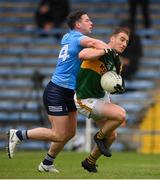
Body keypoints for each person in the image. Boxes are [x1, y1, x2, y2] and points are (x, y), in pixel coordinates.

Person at [7, 10, 111, 173]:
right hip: (58, 90)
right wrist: (110, 51)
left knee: (69, 133)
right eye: (87, 20)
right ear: (77, 24)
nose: (91, 23)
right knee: (58, 134)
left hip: (70, 91)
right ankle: (19, 135)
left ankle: (47, 163)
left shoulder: (69, 37)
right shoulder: (77, 38)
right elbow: (95, 44)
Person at [74, 27, 130, 172]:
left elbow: (108, 84)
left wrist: (117, 88)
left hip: (100, 97)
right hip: (85, 99)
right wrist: (104, 50)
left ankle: (89, 162)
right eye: (121, 39)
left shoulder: (118, 62)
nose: (124, 44)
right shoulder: (102, 49)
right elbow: (82, 54)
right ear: (112, 39)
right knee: (121, 114)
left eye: (126, 42)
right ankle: (98, 137)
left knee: (111, 136)